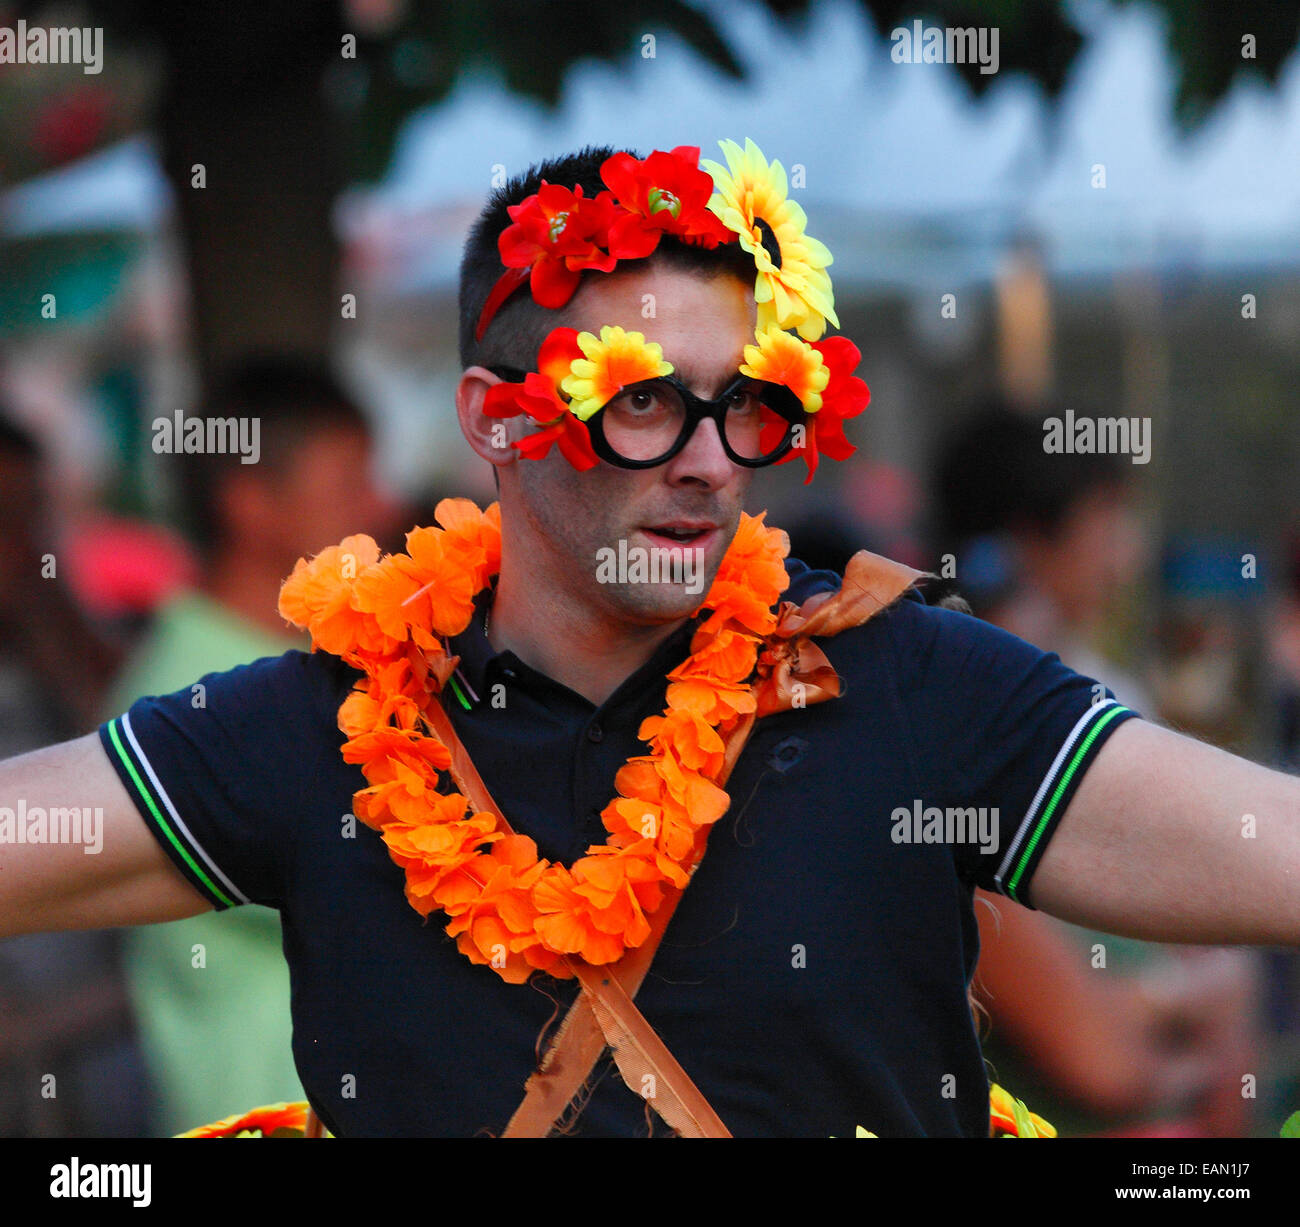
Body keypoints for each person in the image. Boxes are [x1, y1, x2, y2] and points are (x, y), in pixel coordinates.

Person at [1, 140, 1298, 1138]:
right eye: (640, 405)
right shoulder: (331, 725)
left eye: (747, 405)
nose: (705, 459)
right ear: (495, 419)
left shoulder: (910, 679)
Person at [101, 357, 401, 1134]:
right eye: (350, 484)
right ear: (249, 505)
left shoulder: (292, 671)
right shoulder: (182, 699)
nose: (382, 505)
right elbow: (382, 880)